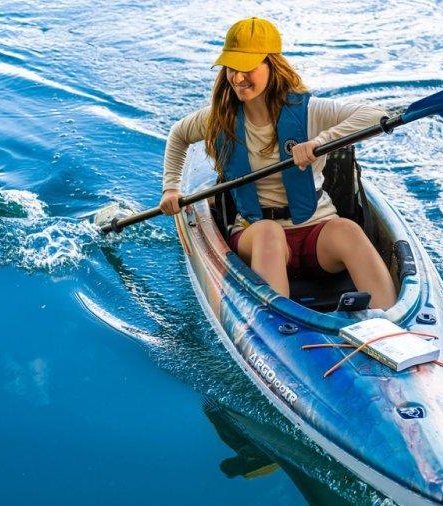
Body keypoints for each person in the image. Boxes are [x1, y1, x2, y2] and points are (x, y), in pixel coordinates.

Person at [159, 17, 395, 310]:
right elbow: (179, 135)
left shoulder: (310, 111)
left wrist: (321, 141)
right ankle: (277, 320)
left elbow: (376, 115)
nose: (238, 77)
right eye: (231, 68)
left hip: (316, 230)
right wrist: (171, 188)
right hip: (255, 233)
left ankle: (390, 322)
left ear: (272, 65)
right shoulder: (218, 119)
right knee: (269, 232)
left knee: (348, 230)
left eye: (248, 67)